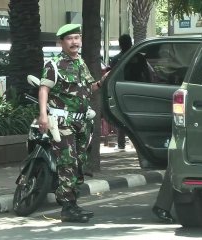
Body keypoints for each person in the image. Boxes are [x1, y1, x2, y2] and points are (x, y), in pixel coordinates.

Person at [38, 23, 104, 223]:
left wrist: (102, 82)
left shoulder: (81, 63)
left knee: (79, 163)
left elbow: (89, 88)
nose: (74, 42)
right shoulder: (54, 65)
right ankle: (67, 207)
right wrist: (42, 114)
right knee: (68, 163)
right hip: (62, 121)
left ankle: (73, 203)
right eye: (70, 38)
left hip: (82, 122)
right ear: (61, 42)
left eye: (77, 38)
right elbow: (43, 89)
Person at [110, 34, 132, 151]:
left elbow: (111, 76)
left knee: (120, 118)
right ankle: (136, 144)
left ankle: (121, 144)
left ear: (120, 44)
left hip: (119, 91)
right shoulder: (137, 57)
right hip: (137, 90)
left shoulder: (116, 59)